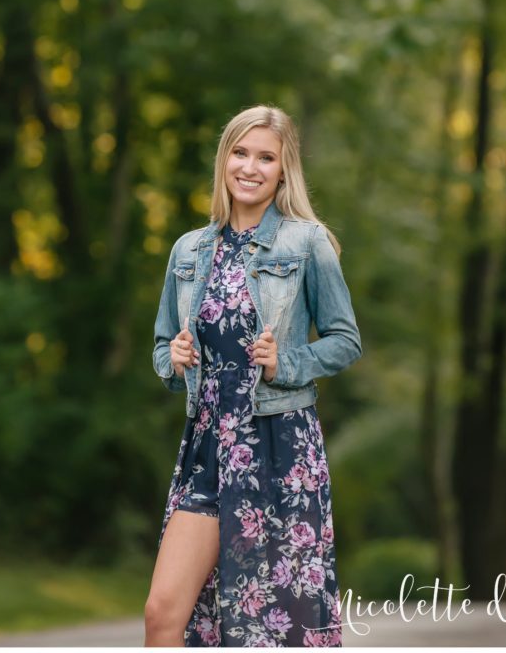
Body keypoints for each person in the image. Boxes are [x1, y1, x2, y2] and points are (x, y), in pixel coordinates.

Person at [146, 106, 361, 648]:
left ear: (284, 170)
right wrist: (172, 357)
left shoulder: (306, 243)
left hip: (280, 449)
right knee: (162, 613)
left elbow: (345, 340)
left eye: (266, 157)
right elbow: (161, 344)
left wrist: (284, 363)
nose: (250, 167)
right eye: (240, 153)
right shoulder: (189, 250)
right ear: (224, 161)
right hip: (207, 449)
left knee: (270, 629)